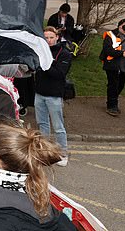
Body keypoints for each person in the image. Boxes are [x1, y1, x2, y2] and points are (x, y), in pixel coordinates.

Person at [35, 26, 72, 166]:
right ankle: (44, 151)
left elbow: (59, 74)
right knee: (42, 124)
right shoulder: (41, 51)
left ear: (57, 37)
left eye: (51, 37)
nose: (49, 40)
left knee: (58, 127)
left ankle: (62, 154)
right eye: (46, 38)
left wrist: (46, 65)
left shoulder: (64, 53)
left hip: (54, 95)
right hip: (39, 93)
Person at [100, 18, 125, 116]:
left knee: (120, 85)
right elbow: (107, 50)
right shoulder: (110, 35)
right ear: (120, 25)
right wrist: (121, 53)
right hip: (113, 64)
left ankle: (112, 102)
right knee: (113, 85)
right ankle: (112, 106)